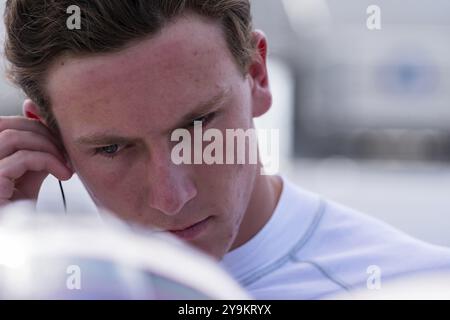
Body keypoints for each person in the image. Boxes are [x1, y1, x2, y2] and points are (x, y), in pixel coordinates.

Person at [1, 0, 449, 299]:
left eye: (198, 125)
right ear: (49, 139)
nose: (170, 196)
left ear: (258, 76)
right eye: (113, 148)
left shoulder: (411, 285)